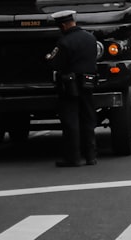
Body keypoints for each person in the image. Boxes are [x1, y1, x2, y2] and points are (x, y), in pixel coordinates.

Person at [45, 10, 98, 167]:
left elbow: (57, 64)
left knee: (71, 120)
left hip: (71, 85)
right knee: (88, 118)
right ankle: (91, 156)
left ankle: (73, 157)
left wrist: (49, 58)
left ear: (63, 25)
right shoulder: (90, 38)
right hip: (88, 82)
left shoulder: (65, 42)